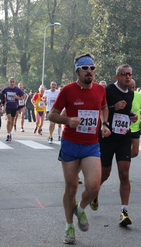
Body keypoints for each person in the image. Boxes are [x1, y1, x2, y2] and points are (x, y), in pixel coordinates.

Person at [48, 54, 110, 245]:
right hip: (71, 144)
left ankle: (81, 209)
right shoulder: (67, 90)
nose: (89, 71)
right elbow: (52, 114)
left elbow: (104, 107)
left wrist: (104, 124)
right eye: (85, 68)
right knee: (72, 187)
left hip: (91, 144)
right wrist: (68, 120)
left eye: (92, 68)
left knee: (93, 186)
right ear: (77, 71)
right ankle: (69, 226)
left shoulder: (100, 89)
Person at [93, 64, 137, 227]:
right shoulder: (108, 90)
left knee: (124, 173)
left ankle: (124, 211)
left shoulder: (131, 94)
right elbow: (98, 109)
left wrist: (132, 116)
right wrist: (113, 107)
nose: (127, 77)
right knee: (105, 174)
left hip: (124, 137)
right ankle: (94, 192)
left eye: (129, 74)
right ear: (117, 76)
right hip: (107, 137)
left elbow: (125, 113)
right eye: (124, 74)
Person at [2, 77, 25, 141]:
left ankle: (9, 133)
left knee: (12, 121)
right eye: (11, 82)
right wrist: (3, 103)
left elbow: (22, 97)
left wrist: (17, 97)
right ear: (9, 82)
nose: (12, 83)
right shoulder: (5, 89)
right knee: (9, 120)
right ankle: (8, 133)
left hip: (14, 107)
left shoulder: (17, 90)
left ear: (15, 82)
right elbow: (1, 96)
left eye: (13, 82)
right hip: (8, 107)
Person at [129, 79, 141, 158]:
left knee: (135, 152)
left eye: (133, 87)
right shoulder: (120, 95)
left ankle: (124, 158)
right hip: (124, 129)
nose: (132, 90)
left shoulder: (139, 96)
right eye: (130, 88)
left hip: (135, 128)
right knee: (124, 153)